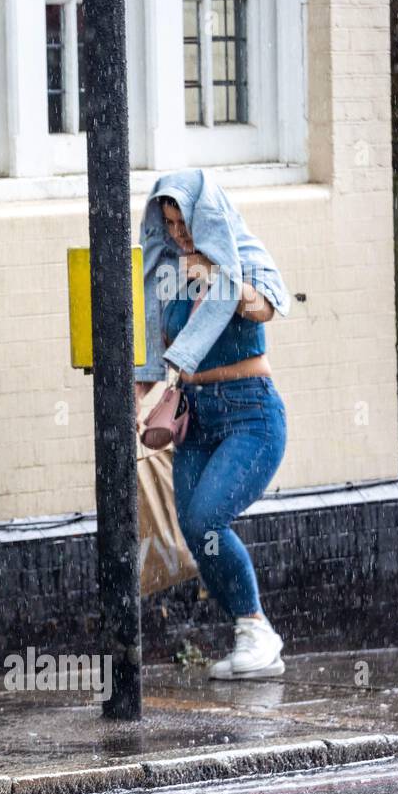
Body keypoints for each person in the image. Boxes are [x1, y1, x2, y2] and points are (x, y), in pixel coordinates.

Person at [133, 169, 290, 680]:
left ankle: (255, 630)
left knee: (206, 520)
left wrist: (223, 278)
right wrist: (132, 396)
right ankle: (252, 631)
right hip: (195, 416)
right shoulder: (169, 269)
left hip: (251, 413)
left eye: (186, 222)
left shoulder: (240, 250)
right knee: (196, 532)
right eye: (171, 224)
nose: (179, 234)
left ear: (207, 217)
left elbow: (266, 306)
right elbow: (158, 346)